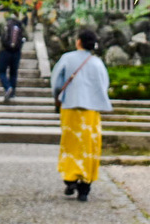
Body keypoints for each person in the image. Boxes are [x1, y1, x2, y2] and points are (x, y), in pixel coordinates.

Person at [50, 29, 112, 202]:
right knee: (88, 145)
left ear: (78, 42)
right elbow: (104, 84)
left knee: (70, 143)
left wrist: (57, 96)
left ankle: (70, 179)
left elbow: (56, 81)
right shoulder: (97, 63)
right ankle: (85, 186)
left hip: (70, 106)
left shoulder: (67, 58)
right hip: (91, 110)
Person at [0, 14, 27, 102]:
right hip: (16, 52)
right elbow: (27, 36)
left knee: (2, 72)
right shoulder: (20, 24)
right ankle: (12, 92)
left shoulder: (3, 23)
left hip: (4, 51)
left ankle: (7, 87)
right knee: (13, 72)